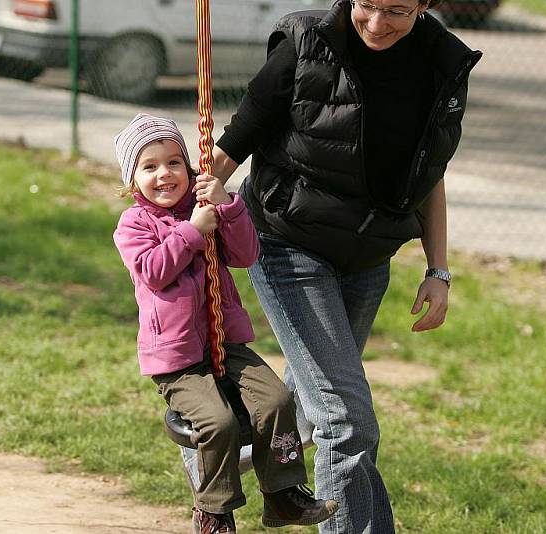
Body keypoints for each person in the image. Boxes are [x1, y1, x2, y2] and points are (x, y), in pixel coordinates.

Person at [207, 1, 483, 533]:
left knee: (312, 411)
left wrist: (438, 268)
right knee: (347, 423)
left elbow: (429, 174)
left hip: (366, 260)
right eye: (367, 6)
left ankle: (213, 462)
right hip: (288, 245)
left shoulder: (440, 64)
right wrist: (172, 228)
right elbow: (235, 143)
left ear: (425, 5)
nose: (378, 25)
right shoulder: (307, 46)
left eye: (398, 11)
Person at [112, 114, 338, 533]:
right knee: (218, 423)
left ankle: (284, 495)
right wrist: (192, 232)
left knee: (277, 401)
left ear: (190, 166)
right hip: (177, 359)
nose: (164, 174)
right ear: (132, 180)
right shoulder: (133, 225)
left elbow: (246, 254)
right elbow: (153, 270)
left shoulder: (208, 207)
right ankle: (213, 512)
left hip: (225, 343)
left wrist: (228, 205)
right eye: (150, 166)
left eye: (174, 162)